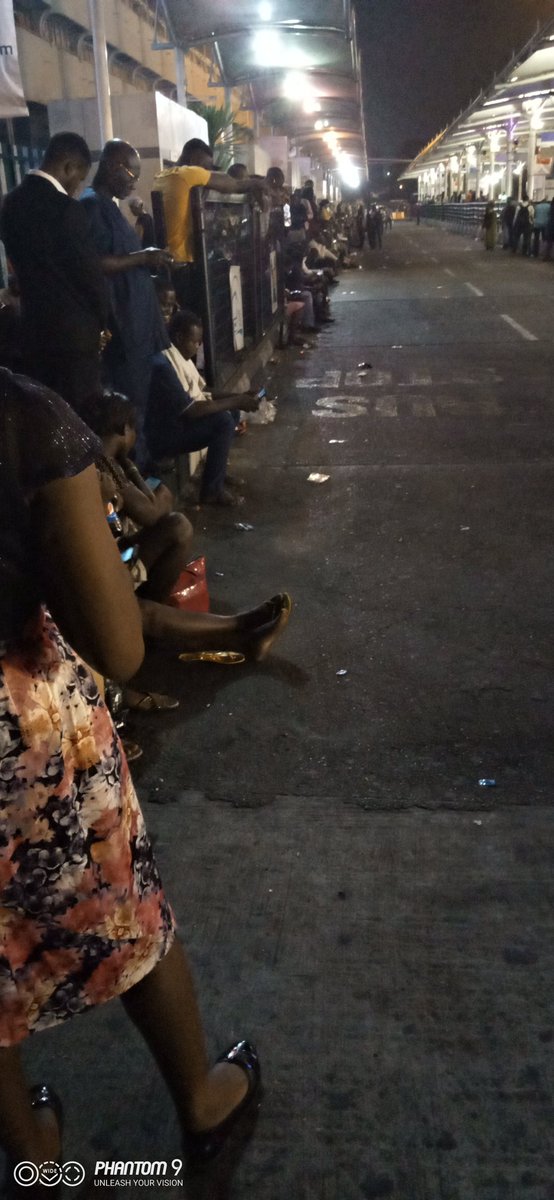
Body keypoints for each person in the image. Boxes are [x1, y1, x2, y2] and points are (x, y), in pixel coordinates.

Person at [0, 368, 261, 1199]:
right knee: (122, 908)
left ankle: (32, 1155)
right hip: (23, 730)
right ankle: (202, 1102)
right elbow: (118, 645)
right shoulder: (26, 419)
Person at [83, 390, 292, 664]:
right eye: (134, 429)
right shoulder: (102, 466)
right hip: (105, 572)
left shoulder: (106, 462)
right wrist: (142, 480)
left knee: (177, 527)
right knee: (145, 610)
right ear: (124, 428)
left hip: (115, 560)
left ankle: (240, 629)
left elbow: (153, 509)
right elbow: (151, 511)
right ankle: (241, 628)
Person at [80, 139, 173, 466]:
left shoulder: (109, 206)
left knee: (145, 405)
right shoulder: (92, 206)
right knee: (131, 410)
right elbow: (95, 263)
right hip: (125, 329)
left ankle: (145, 467)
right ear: (111, 166)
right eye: (132, 173)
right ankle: (137, 475)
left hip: (139, 328)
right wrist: (143, 258)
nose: (135, 182)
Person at [0, 131, 109, 408]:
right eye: (79, 179)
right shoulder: (67, 209)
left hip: (34, 331)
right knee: (80, 417)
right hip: (74, 339)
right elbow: (89, 275)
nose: (77, 188)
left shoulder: (10, 204)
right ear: (69, 167)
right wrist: (104, 320)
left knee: (45, 414)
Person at [146, 309, 262, 506]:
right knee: (223, 421)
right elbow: (190, 410)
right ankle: (211, 491)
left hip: (183, 421)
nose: (198, 346)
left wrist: (239, 396)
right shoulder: (165, 362)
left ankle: (218, 473)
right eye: (194, 341)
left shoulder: (181, 357)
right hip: (168, 432)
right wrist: (236, 400)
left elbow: (203, 389)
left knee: (230, 412)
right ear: (179, 337)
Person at [153, 139, 266, 308]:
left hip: (167, 264)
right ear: (194, 160)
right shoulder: (188, 174)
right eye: (206, 167)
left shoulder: (162, 176)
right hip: (183, 266)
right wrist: (257, 183)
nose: (208, 172)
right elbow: (232, 184)